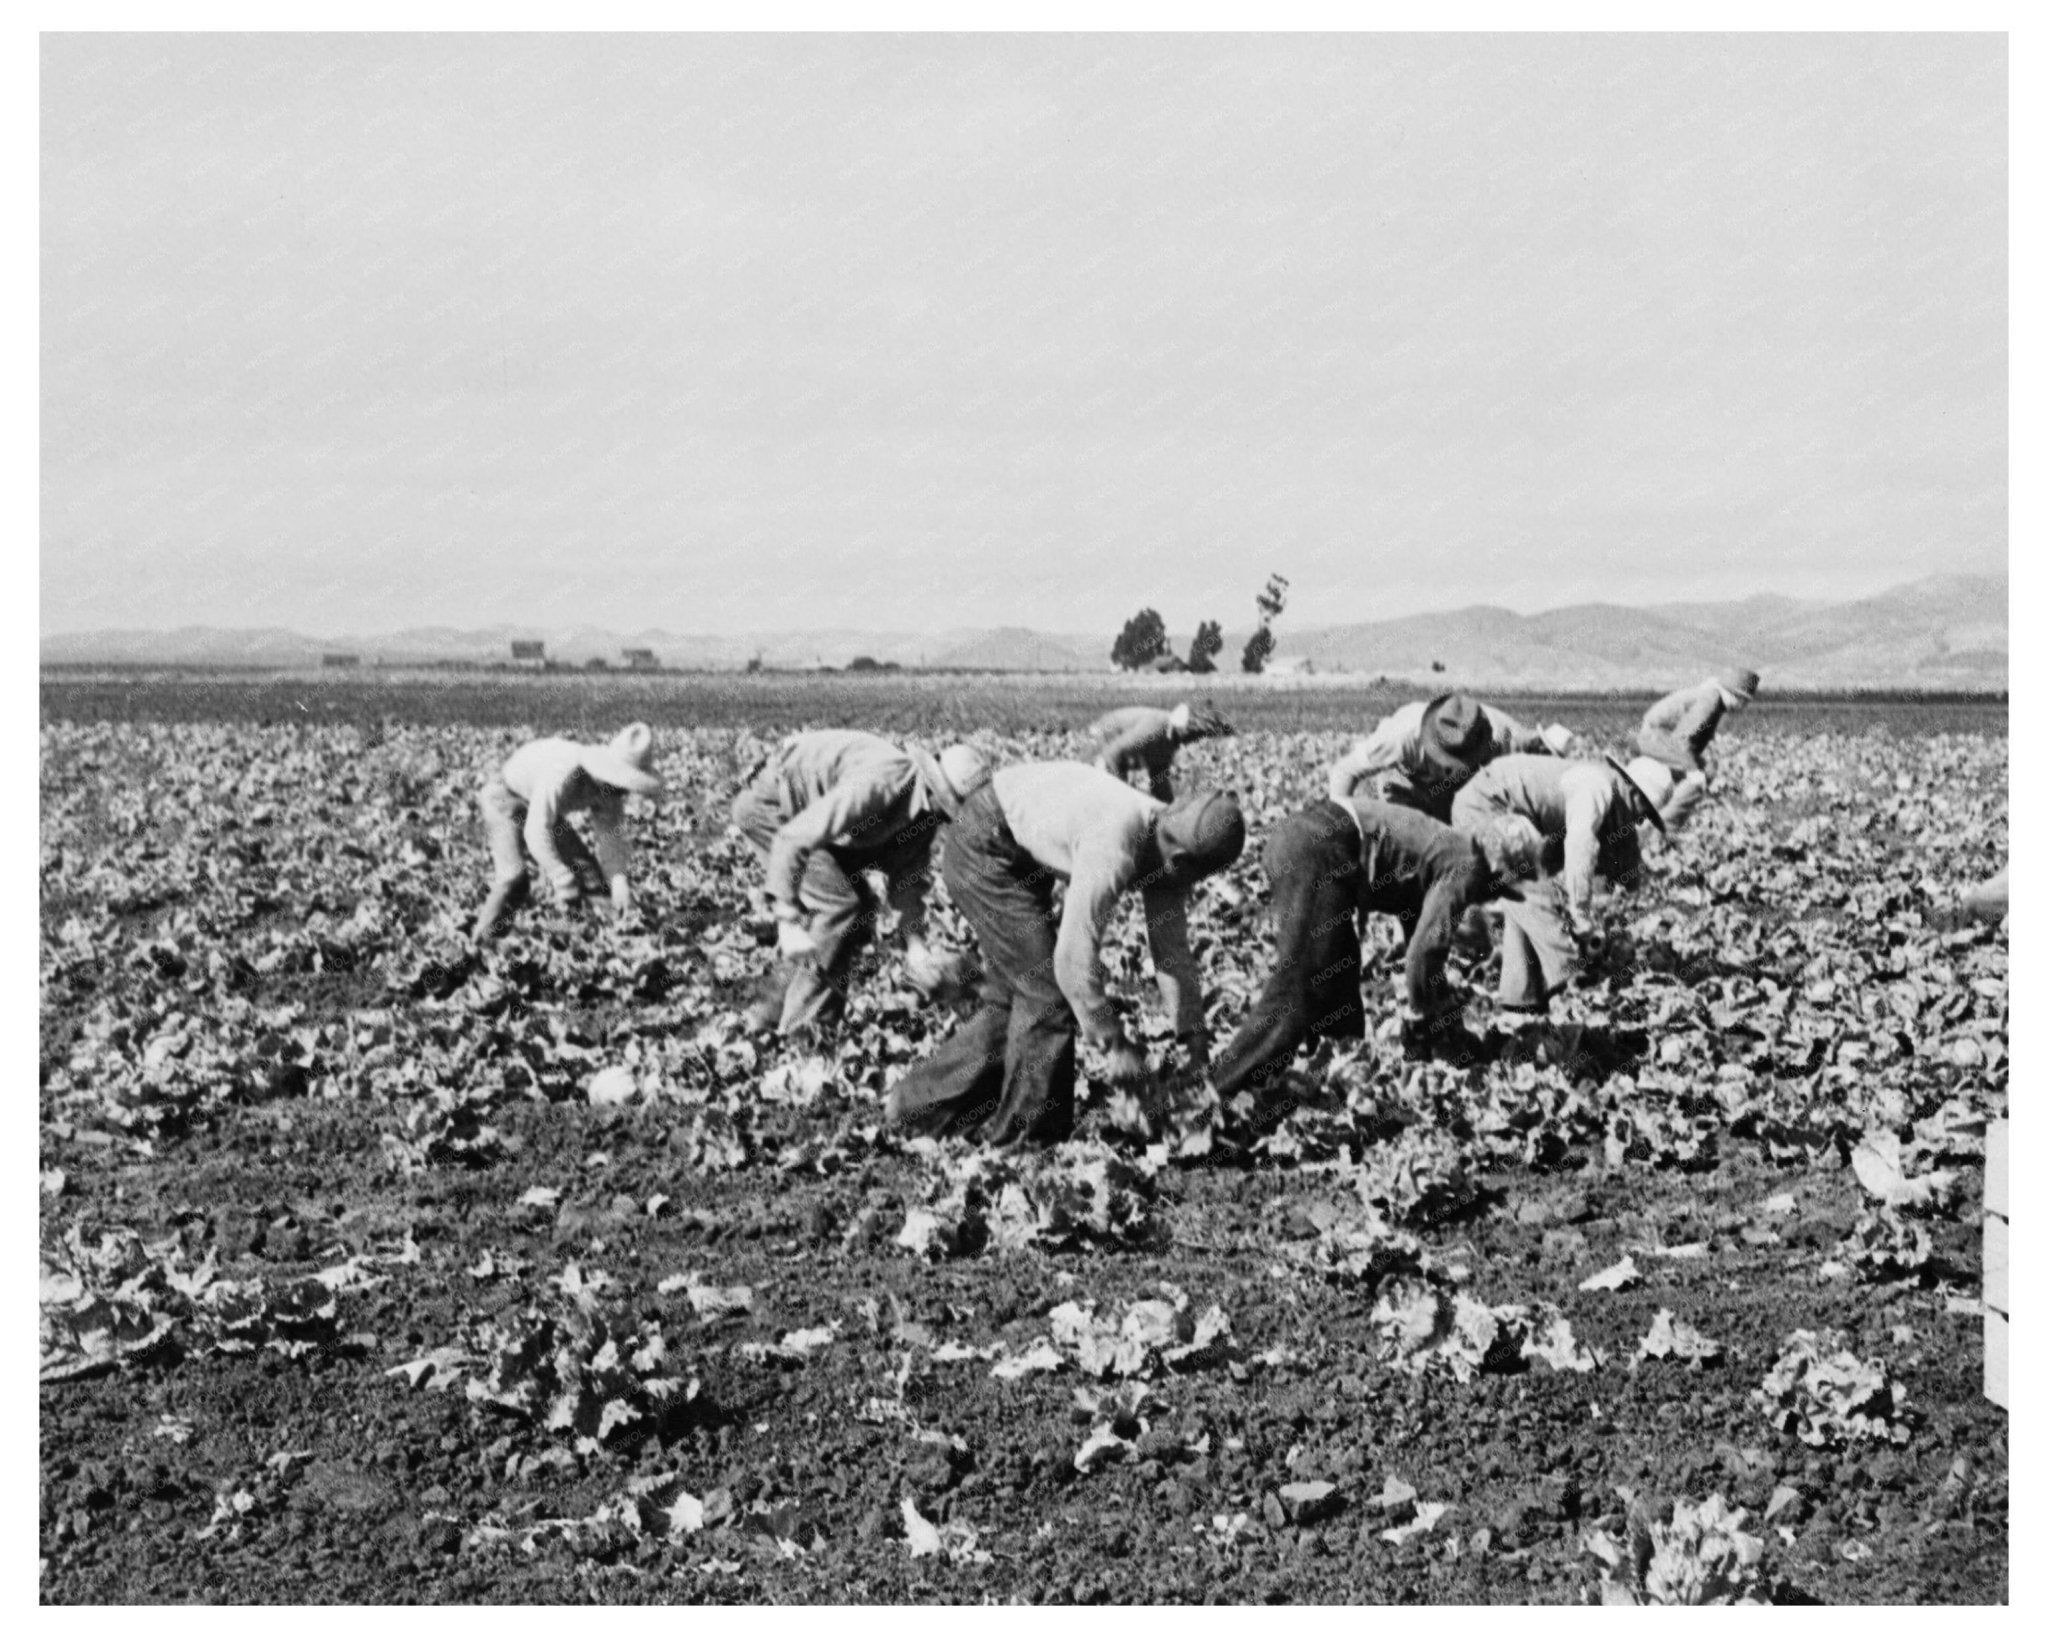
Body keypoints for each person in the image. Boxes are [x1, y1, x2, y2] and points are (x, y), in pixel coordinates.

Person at [883, 762, 1246, 1146]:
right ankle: (1028, 1143)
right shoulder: (1117, 842)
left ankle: (915, 1109)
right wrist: (1115, 1045)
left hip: (1014, 848)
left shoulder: (1167, 842)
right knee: (1047, 995)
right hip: (983, 844)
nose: (1189, 887)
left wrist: (1194, 1042)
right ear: (1182, 862)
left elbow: (1172, 955)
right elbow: (1072, 964)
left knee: (1016, 999)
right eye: (1195, 877)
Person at [1209, 800, 1545, 1100]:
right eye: (1501, 890)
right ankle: (1217, 1091)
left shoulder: (1447, 855)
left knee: (1338, 982)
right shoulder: (1467, 866)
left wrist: (1443, 1022)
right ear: (1499, 871)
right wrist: (1421, 1016)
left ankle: (1323, 1081)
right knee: (1299, 987)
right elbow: (1424, 952)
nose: (1493, 899)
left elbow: (1425, 952)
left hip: (1315, 840)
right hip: (1319, 844)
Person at [731, 730, 989, 1036]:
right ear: (935, 791)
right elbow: (795, 836)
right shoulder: (882, 782)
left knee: (857, 912)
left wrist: (916, 947)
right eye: (946, 811)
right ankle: (804, 1034)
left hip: (811, 826)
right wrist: (786, 917)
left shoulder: (924, 817)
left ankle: (771, 1016)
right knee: (839, 908)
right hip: (771, 810)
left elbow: (906, 881)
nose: (944, 820)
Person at [1449, 753, 1674, 1016]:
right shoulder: (1596, 786)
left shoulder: (1611, 798)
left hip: (1515, 817)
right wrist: (1581, 916)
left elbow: (1624, 864)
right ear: (1634, 793)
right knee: (1532, 889)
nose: (1639, 821)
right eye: (1644, 812)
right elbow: (1580, 847)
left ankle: (1520, 1001)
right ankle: (1573, 991)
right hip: (1485, 806)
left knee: (1527, 898)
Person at [471, 723, 663, 941]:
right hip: (504, 795)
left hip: (538, 806)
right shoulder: (565, 771)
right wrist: (561, 879)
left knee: (587, 871)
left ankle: (603, 936)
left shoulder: (611, 790)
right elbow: (535, 831)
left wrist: (619, 884)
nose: (625, 790)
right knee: (513, 877)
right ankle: (479, 943)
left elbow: (610, 837)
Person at [1326, 692, 1574, 822]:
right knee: (1409, 856)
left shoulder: (1501, 735)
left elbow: (1528, 770)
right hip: (1408, 785)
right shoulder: (1401, 735)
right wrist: (1339, 828)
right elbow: (1345, 771)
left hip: (1457, 792)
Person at [1635, 667, 1760, 828]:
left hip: (1658, 739)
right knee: (1699, 778)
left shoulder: (1712, 698)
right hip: (1654, 739)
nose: (1743, 707)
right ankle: (1664, 827)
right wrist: (1693, 771)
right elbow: (1683, 738)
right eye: (1743, 700)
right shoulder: (1710, 701)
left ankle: (1659, 816)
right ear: (1735, 695)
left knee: (1705, 769)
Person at [1087, 700, 1235, 800]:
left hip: (1117, 756)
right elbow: (1112, 754)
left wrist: (1168, 810)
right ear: (1186, 730)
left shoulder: (1170, 743)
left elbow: (1159, 782)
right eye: (1196, 735)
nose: (1196, 740)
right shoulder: (1154, 730)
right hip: (1100, 743)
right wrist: (1121, 794)